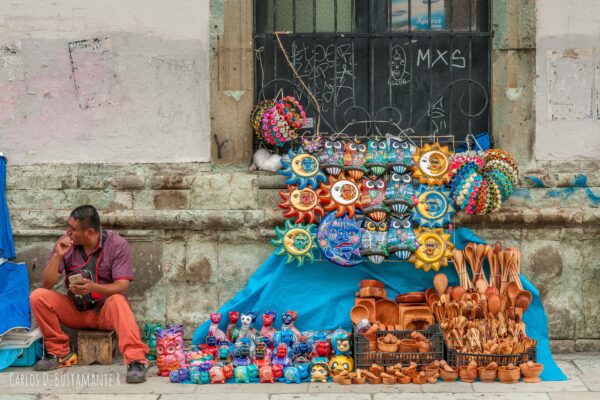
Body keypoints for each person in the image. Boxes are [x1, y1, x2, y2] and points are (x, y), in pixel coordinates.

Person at [30, 205, 149, 383]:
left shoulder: (117, 244)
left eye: (73, 229)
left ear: (90, 232)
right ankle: (60, 353)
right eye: (68, 226)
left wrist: (94, 288)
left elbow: (122, 285)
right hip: (76, 311)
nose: (68, 231)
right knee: (38, 296)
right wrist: (57, 256)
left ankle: (136, 360)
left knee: (118, 300)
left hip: (104, 313)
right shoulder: (65, 243)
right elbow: (46, 284)